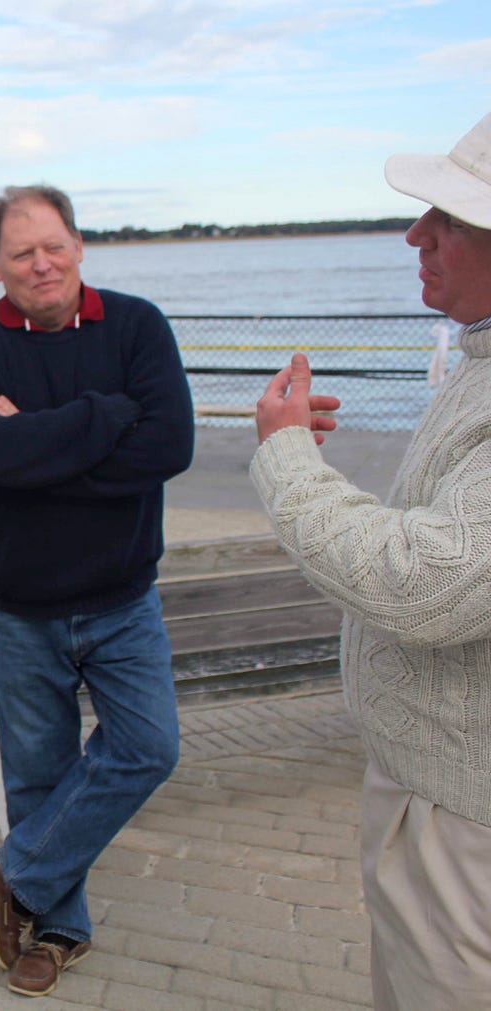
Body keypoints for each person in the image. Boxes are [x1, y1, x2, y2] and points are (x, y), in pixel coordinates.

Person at [251, 110, 491, 1010]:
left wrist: (288, 461)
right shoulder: (479, 359)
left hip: (463, 826)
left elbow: (427, 584)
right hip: (439, 798)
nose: (417, 233)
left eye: (451, 217)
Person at [0, 184, 195, 997]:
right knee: (38, 777)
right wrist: (106, 416)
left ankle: (16, 868)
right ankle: (56, 931)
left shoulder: (137, 326)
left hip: (124, 598)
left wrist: (37, 443)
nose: (42, 264)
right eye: (22, 253)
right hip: (20, 606)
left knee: (149, 746)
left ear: (79, 246)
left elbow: (171, 446)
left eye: (54, 246)